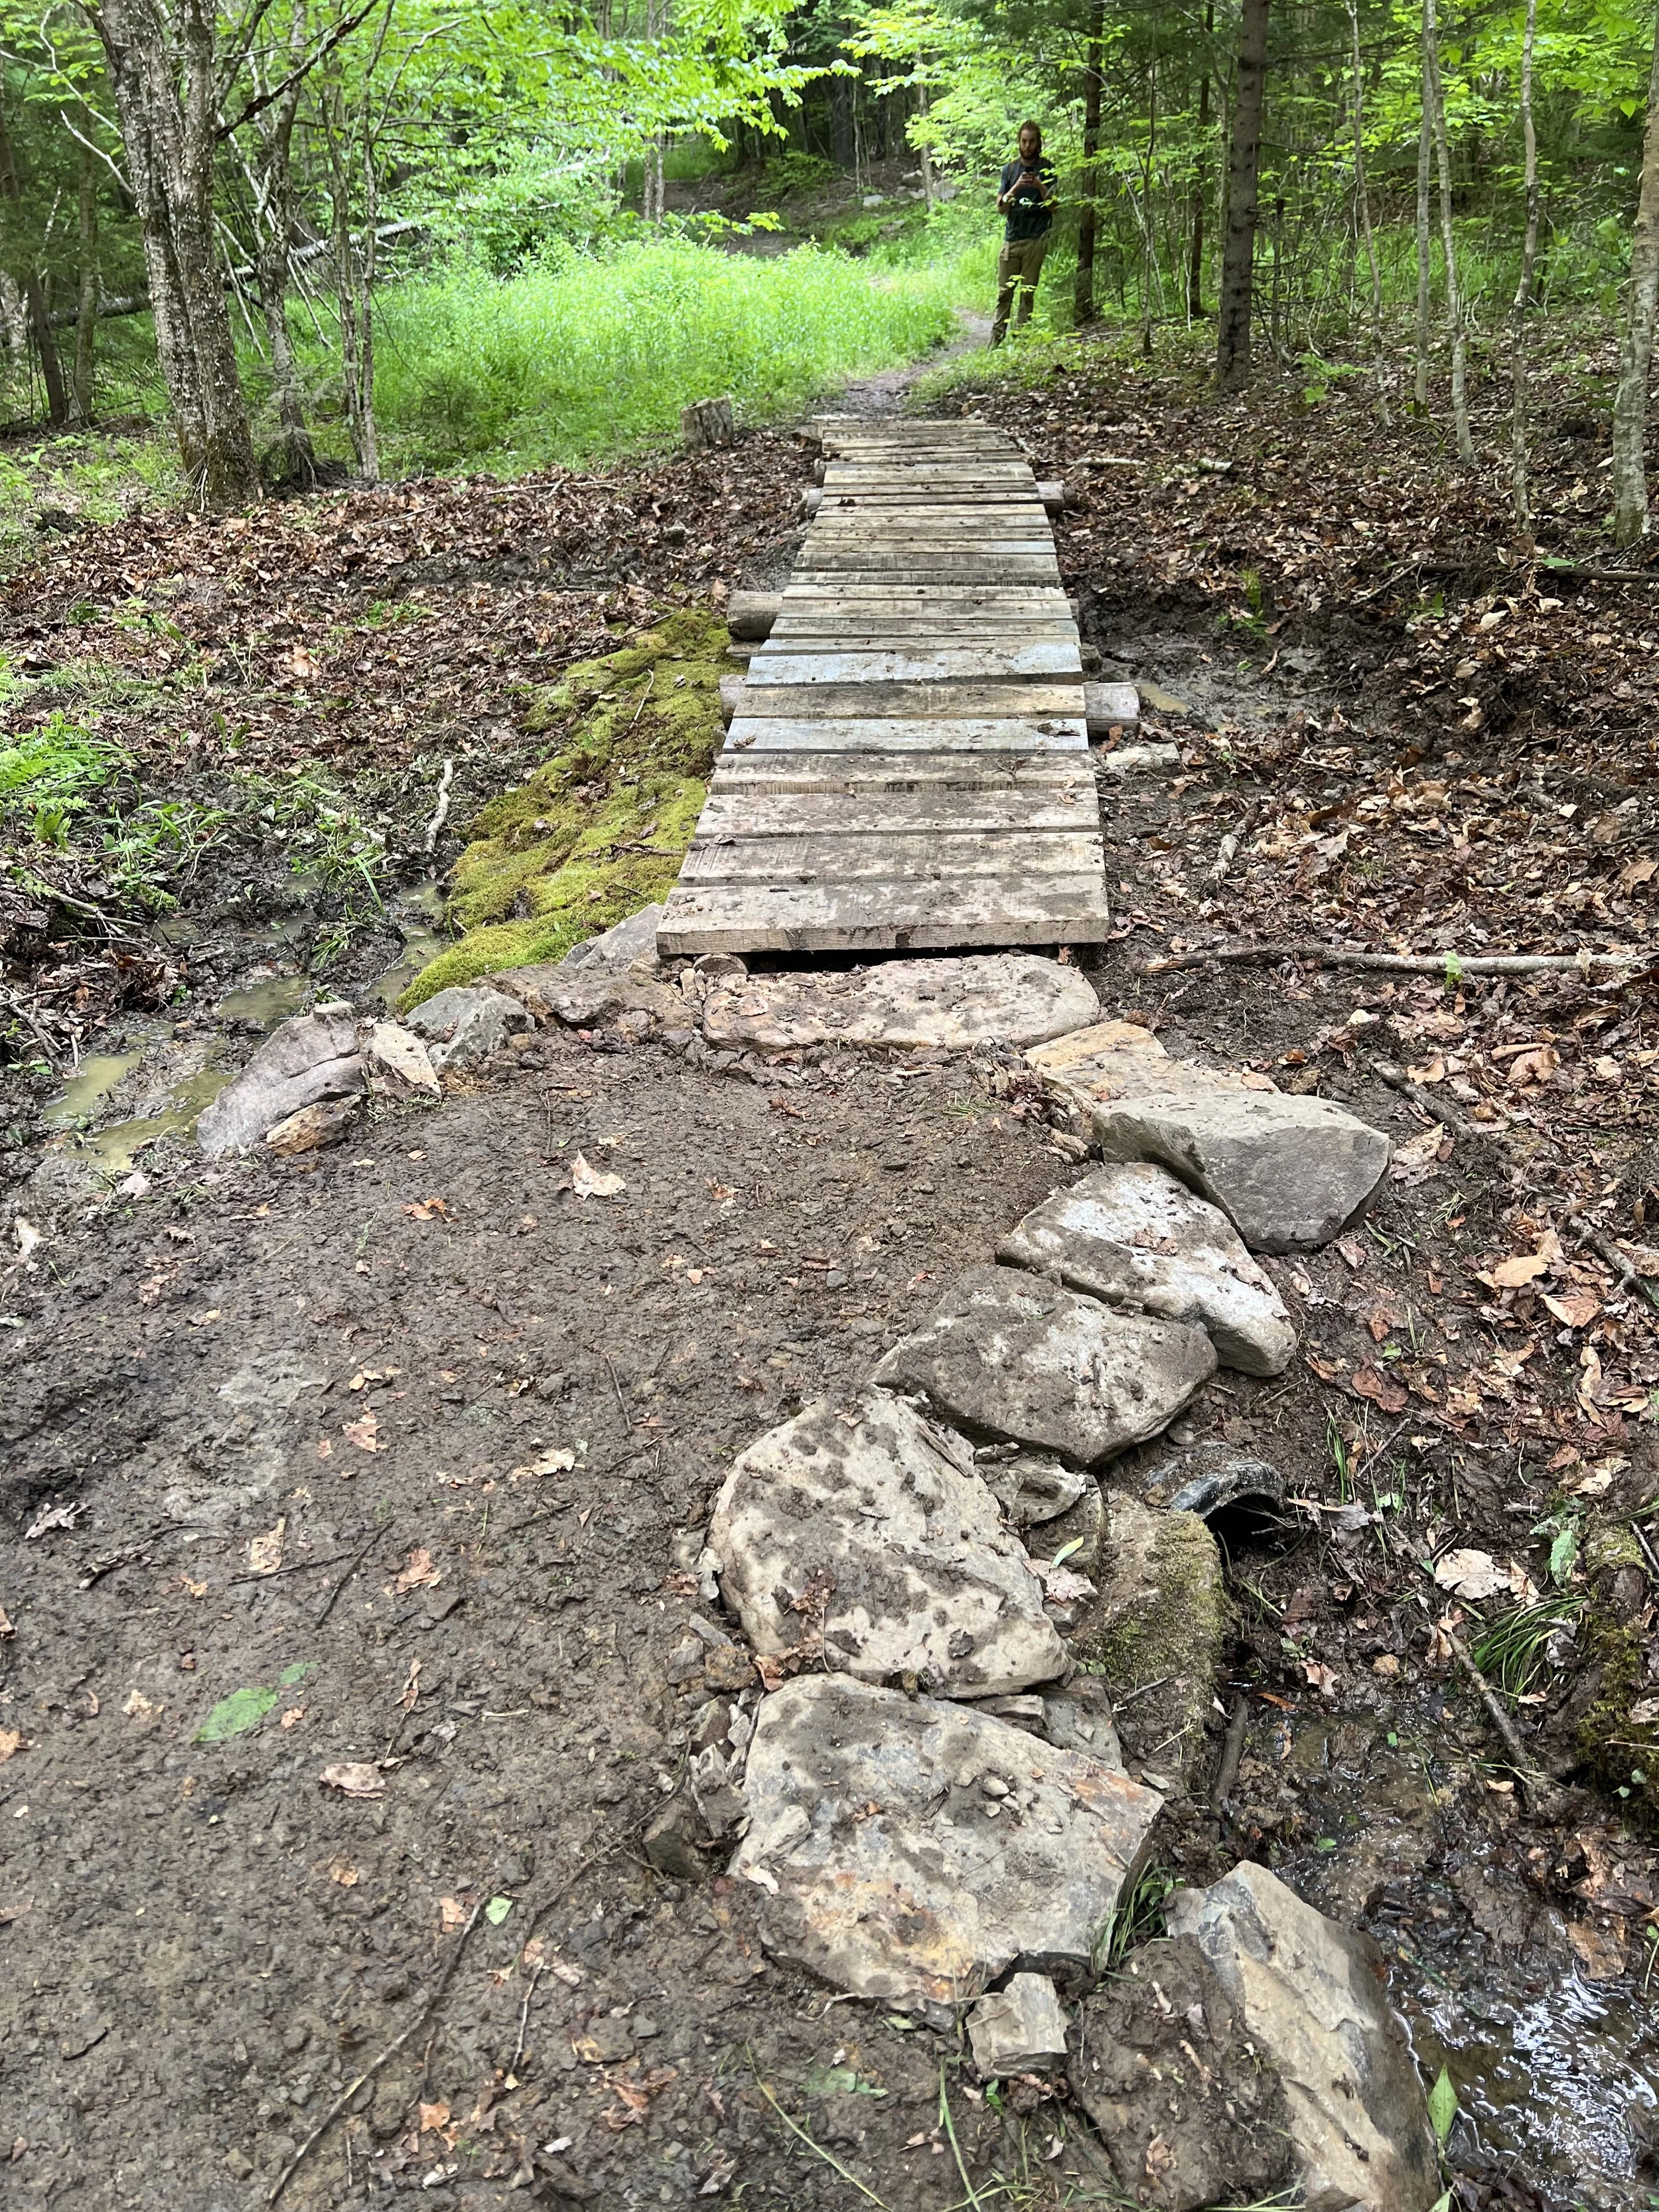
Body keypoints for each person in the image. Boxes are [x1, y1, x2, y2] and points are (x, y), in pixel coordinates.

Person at [991, 121, 1056, 345]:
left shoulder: (1048, 168)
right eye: (1024, 141)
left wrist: (1039, 185)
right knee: (1004, 294)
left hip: (1035, 241)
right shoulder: (1009, 170)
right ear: (1019, 142)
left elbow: (1055, 206)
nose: (1027, 146)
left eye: (1032, 141)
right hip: (1012, 240)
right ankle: (996, 343)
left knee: (1027, 295)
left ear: (1038, 143)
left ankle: (1021, 342)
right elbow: (1001, 207)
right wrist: (1016, 187)